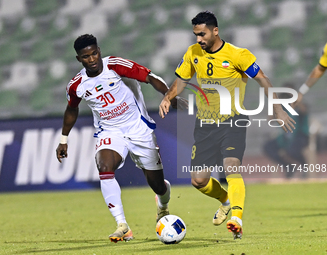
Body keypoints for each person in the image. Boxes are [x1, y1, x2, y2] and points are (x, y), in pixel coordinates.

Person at [159, 11, 295, 239]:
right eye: (195, 35)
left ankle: (237, 219)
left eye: (202, 34)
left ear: (215, 31)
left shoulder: (238, 55)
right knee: (198, 180)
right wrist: (167, 97)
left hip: (233, 120)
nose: (198, 40)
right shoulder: (193, 53)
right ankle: (226, 200)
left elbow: (263, 79)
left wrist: (278, 108)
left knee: (231, 166)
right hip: (204, 124)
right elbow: (181, 80)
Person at [56, 34, 182, 243]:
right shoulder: (76, 85)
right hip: (109, 131)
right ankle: (122, 225)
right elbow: (71, 109)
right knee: (104, 166)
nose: (93, 59)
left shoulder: (115, 65)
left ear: (99, 50)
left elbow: (150, 77)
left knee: (159, 186)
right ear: (79, 59)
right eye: (86, 56)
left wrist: (169, 97)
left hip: (139, 129)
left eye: (95, 53)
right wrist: (63, 139)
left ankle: (162, 204)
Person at [264, 83, 309, 178]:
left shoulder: (300, 105)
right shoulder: (281, 106)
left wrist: (296, 100)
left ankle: (304, 167)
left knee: (292, 150)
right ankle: (288, 167)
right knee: (268, 147)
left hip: (300, 136)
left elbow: (304, 110)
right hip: (284, 137)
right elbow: (271, 119)